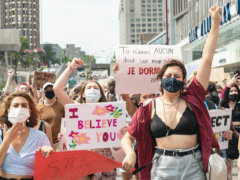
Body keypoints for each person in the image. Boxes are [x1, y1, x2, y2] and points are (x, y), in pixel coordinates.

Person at [121, 6, 221, 180]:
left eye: (177, 76)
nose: (172, 79)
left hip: (194, 165)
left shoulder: (194, 96)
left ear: (184, 81)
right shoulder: (147, 107)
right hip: (162, 167)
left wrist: (215, 23)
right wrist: (130, 153)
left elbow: (207, 59)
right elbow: (127, 138)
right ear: (160, 80)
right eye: (168, 76)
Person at [53, 59, 117, 180]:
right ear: (83, 94)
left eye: (95, 88)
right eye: (89, 88)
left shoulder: (109, 112)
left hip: (103, 161)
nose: (92, 90)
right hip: (81, 161)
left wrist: (120, 133)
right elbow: (56, 89)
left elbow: (116, 145)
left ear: (101, 94)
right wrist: (71, 67)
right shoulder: (76, 108)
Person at [0, 91, 53, 180]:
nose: (20, 108)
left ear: (29, 112)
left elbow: (50, 167)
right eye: (16, 105)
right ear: (8, 111)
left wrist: (48, 152)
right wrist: (6, 141)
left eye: (24, 105)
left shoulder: (39, 136)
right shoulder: (1, 134)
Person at [220, 74, 240, 180]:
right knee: (229, 166)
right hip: (229, 135)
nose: (233, 93)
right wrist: (227, 85)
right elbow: (223, 97)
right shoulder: (224, 105)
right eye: (231, 91)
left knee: (239, 165)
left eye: (235, 91)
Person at [36, 82, 64, 151]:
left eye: (51, 88)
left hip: (59, 142)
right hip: (45, 144)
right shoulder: (39, 107)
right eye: (47, 89)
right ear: (44, 92)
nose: (49, 90)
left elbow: (66, 121)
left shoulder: (60, 105)